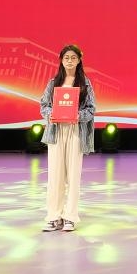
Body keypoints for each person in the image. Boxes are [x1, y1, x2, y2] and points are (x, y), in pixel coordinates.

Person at [39, 44, 97, 232]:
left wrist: (78, 116)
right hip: (56, 132)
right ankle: (53, 216)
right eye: (66, 58)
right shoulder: (53, 82)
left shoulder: (85, 83)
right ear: (61, 60)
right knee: (55, 176)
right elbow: (44, 105)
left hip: (75, 132)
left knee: (73, 175)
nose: (70, 61)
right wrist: (51, 114)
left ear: (79, 60)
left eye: (73, 58)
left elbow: (91, 108)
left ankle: (70, 217)